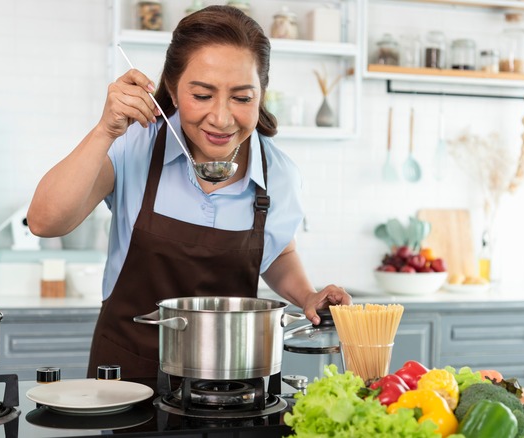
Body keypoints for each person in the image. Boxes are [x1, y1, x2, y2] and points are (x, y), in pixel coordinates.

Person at [26, 5, 352, 383]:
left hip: (231, 383)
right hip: (127, 376)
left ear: (261, 95)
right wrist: (104, 130)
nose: (221, 118)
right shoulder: (134, 145)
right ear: (174, 89)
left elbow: (279, 250)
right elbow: (44, 222)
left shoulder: (277, 174)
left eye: (242, 98)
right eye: (202, 95)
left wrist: (307, 295)